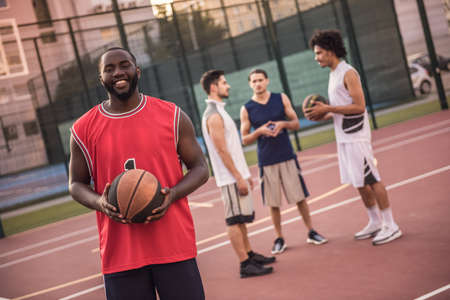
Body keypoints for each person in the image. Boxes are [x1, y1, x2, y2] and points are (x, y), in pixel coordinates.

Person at [68, 47, 209, 300]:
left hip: (173, 245)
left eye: (124, 65)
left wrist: (173, 193)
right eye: (109, 69)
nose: (118, 72)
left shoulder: (173, 115)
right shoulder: (83, 128)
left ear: (137, 71)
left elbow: (200, 167)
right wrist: (100, 202)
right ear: (101, 79)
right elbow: (76, 184)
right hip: (120, 253)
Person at [306, 29, 402, 245]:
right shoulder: (333, 74)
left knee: (372, 179)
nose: (316, 57)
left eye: (319, 52)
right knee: (358, 182)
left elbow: (359, 107)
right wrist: (325, 114)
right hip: (344, 137)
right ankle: (375, 221)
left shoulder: (348, 72)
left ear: (331, 51)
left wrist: (328, 107)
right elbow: (342, 107)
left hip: (357, 136)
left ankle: (391, 225)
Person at [240, 69, 328, 255]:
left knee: (300, 197)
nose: (258, 83)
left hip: (287, 155)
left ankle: (311, 231)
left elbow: (296, 123)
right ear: (250, 84)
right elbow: (245, 139)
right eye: (254, 81)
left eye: (260, 80)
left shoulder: (281, 98)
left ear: (267, 81)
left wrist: (283, 124)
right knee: (273, 203)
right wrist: (259, 131)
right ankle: (279, 238)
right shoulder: (247, 108)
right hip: (267, 160)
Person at [200, 69, 275, 278]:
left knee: (241, 219)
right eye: (224, 83)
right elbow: (221, 150)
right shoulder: (213, 115)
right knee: (233, 220)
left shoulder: (220, 111)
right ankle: (244, 264)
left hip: (236, 175)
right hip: (229, 178)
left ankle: (249, 254)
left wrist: (244, 173)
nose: (228, 85)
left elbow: (232, 147)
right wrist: (238, 176)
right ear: (214, 87)